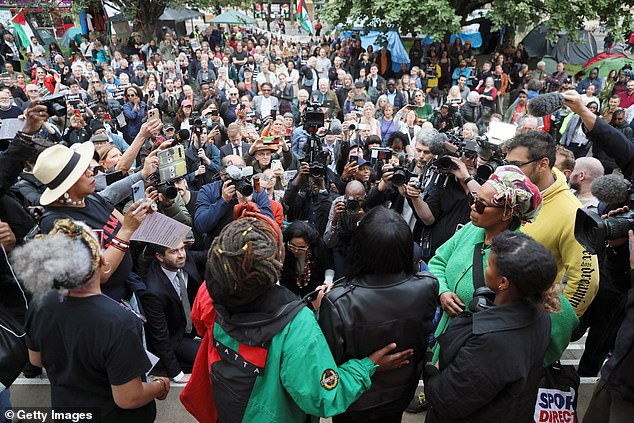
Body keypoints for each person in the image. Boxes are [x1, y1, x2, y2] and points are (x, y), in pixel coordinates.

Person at [182, 216, 412, 423]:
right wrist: (367, 366)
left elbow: (200, 324)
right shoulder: (297, 325)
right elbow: (323, 397)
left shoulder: (212, 295)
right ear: (274, 263)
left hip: (228, 410)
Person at [14, 219, 170, 422]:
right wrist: (160, 385)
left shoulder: (39, 303)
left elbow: (37, 360)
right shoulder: (118, 322)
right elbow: (129, 398)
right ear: (102, 261)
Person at [424, 231, 560, 422]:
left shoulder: (490, 342)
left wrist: (431, 366)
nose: (485, 266)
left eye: (488, 264)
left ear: (503, 282)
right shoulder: (541, 315)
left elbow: (446, 399)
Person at [319, 207, 438, 423]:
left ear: (360, 248)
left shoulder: (339, 301)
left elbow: (328, 365)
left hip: (355, 398)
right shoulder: (428, 285)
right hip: (401, 392)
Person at [428, 165, 547, 359]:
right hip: (447, 336)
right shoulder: (471, 229)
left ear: (507, 213)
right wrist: (443, 291)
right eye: (474, 199)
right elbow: (438, 261)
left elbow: (554, 313)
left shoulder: (518, 254)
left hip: (478, 350)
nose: (474, 207)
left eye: (482, 205)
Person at [505, 130, 600, 316]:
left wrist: (558, 326)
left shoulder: (572, 212)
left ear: (543, 164)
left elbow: (586, 280)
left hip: (527, 318)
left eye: (516, 165)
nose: (509, 172)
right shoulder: (511, 189)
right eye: (507, 165)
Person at [139, 241, 206, 384]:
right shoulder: (153, 290)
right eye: (174, 251)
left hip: (195, 326)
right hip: (176, 337)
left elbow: (208, 255)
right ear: (160, 256)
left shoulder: (186, 260)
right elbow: (160, 336)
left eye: (182, 249)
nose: (181, 255)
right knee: (208, 357)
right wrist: (177, 375)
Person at [280, 221, 334, 298]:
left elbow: (328, 266)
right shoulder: (285, 250)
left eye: (301, 248)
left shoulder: (319, 247)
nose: (296, 250)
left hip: (315, 289)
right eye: (292, 246)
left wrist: (327, 283)